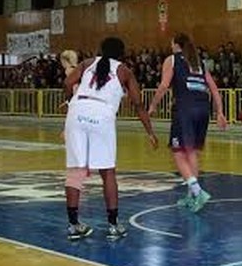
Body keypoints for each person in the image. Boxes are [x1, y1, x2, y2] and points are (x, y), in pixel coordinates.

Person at [62, 39, 156, 241]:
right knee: (107, 172)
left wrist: (70, 102)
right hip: (102, 114)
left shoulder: (87, 63)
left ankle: (73, 225)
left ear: (100, 50)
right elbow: (138, 105)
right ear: (122, 54)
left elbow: (68, 83)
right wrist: (150, 132)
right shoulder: (124, 71)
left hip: (77, 111)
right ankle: (113, 226)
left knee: (76, 171)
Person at [148, 32, 228, 212]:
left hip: (185, 109)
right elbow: (214, 89)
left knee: (178, 152)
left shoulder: (172, 60)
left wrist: (153, 105)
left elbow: (163, 85)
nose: (170, 46)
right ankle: (192, 196)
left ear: (176, 45)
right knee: (191, 152)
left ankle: (197, 191)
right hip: (203, 110)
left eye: (171, 43)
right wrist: (220, 112)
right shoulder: (199, 62)